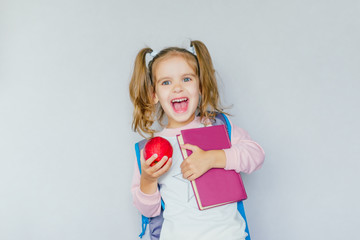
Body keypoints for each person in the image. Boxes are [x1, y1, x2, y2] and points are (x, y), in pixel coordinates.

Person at [129, 40, 265, 240]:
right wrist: (148, 180)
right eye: (166, 82)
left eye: (186, 79)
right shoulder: (147, 150)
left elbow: (256, 156)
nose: (177, 88)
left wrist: (213, 158)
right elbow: (149, 211)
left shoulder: (218, 126)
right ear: (153, 95)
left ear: (200, 86)